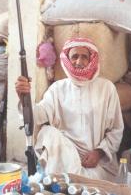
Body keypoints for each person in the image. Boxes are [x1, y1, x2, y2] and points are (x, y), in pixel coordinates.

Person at [15, 37, 124, 181]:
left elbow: (116, 130)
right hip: (65, 158)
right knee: (47, 132)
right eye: (74, 57)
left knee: (86, 189)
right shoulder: (57, 88)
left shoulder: (106, 88)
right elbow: (38, 116)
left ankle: (67, 183)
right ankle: (66, 181)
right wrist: (23, 99)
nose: (79, 62)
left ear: (92, 59)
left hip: (97, 164)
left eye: (84, 57)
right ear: (67, 60)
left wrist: (99, 152)